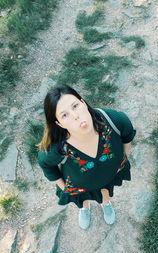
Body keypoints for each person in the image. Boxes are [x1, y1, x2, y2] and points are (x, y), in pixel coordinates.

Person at [37, 85, 136, 229]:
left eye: (75, 106)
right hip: (79, 187)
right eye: (65, 115)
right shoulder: (57, 148)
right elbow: (45, 164)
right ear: (59, 123)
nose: (75, 116)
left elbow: (127, 135)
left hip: (108, 176)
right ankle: (85, 208)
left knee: (105, 192)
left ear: (83, 102)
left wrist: (122, 159)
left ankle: (105, 203)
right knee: (82, 199)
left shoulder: (114, 120)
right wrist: (64, 188)